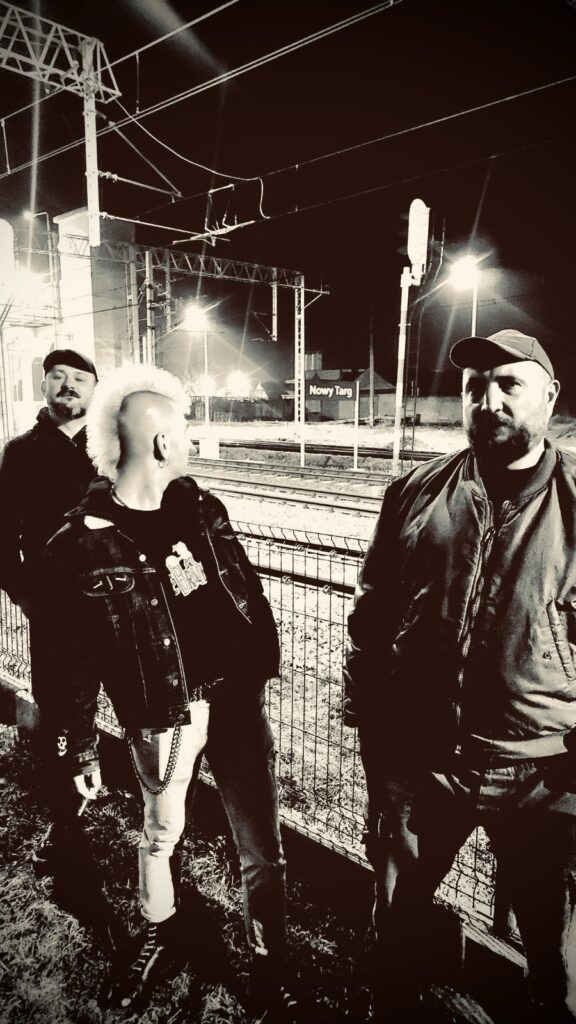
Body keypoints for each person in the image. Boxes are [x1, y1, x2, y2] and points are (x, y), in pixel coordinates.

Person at [43, 364, 293, 1018]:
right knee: (161, 833)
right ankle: (163, 935)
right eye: (181, 429)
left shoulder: (202, 508)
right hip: (164, 716)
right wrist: (79, 746)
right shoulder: (80, 544)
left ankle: (270, 963)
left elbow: (243, 590)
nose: (188, 439)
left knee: (260, 848)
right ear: (160, 442)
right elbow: (72, 660)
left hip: (236, 705)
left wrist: (260, 664)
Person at [344, 329, 576, 1022]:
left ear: (550, 396)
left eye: (509, 384)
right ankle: (392, 1004)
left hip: (539, 775)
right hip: (420, 762)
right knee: (396, 916)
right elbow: (371, 617)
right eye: (475, 387)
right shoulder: (415, 492)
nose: (488, 400)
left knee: (548, 938)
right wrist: (373, 732)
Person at [0, 348, 98, 868]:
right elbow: (2, 534)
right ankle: (67, 826)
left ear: (95, 390)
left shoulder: (113, 444)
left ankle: (155, 825)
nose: (68, 384)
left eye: (80, 377)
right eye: (57, 376)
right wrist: (24, 594)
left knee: (141, 713)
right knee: (59, 716)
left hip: (123, 609)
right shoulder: (22, 452)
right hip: (56, 611)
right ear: (42, 386)